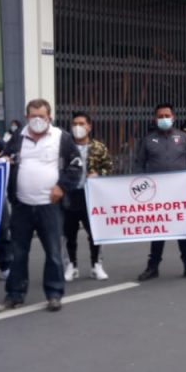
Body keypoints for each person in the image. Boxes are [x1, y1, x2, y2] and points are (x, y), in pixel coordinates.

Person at [0, 99, 82, 313]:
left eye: (42, 116)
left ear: (50, 117)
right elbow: (4, 159)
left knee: (52, 252)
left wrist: (62, 186)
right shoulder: (17, 137)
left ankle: (54, 294)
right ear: (26, 117)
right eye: (34, 116)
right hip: (22, 206)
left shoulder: (62, 138)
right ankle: (14, 295)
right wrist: (4, 159)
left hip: (49, 206)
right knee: (18, 253)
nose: (38, 120)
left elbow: (76, 166)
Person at [136, 104, 186, 281]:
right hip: (157, 196)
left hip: (180, 195)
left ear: (173, 118)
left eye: (167, 115)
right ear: (155, 119)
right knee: (158, 232)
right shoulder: (148, 140)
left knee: (183, 232)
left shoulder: (183, 138)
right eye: (160, 116)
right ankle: (153, 267)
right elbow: (139, 165)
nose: (164, 118)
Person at [63, 112, 113, 282]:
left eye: (82, 123)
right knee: (69, 233)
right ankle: (71, 265)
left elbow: (109, 167)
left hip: (91, 196)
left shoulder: (99, 147)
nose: (78, 127)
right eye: (75, 123)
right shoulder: (64, 147)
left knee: (95, 233)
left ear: (89, 126)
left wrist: (99, 173)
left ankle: (96, 265)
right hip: (70, 195)